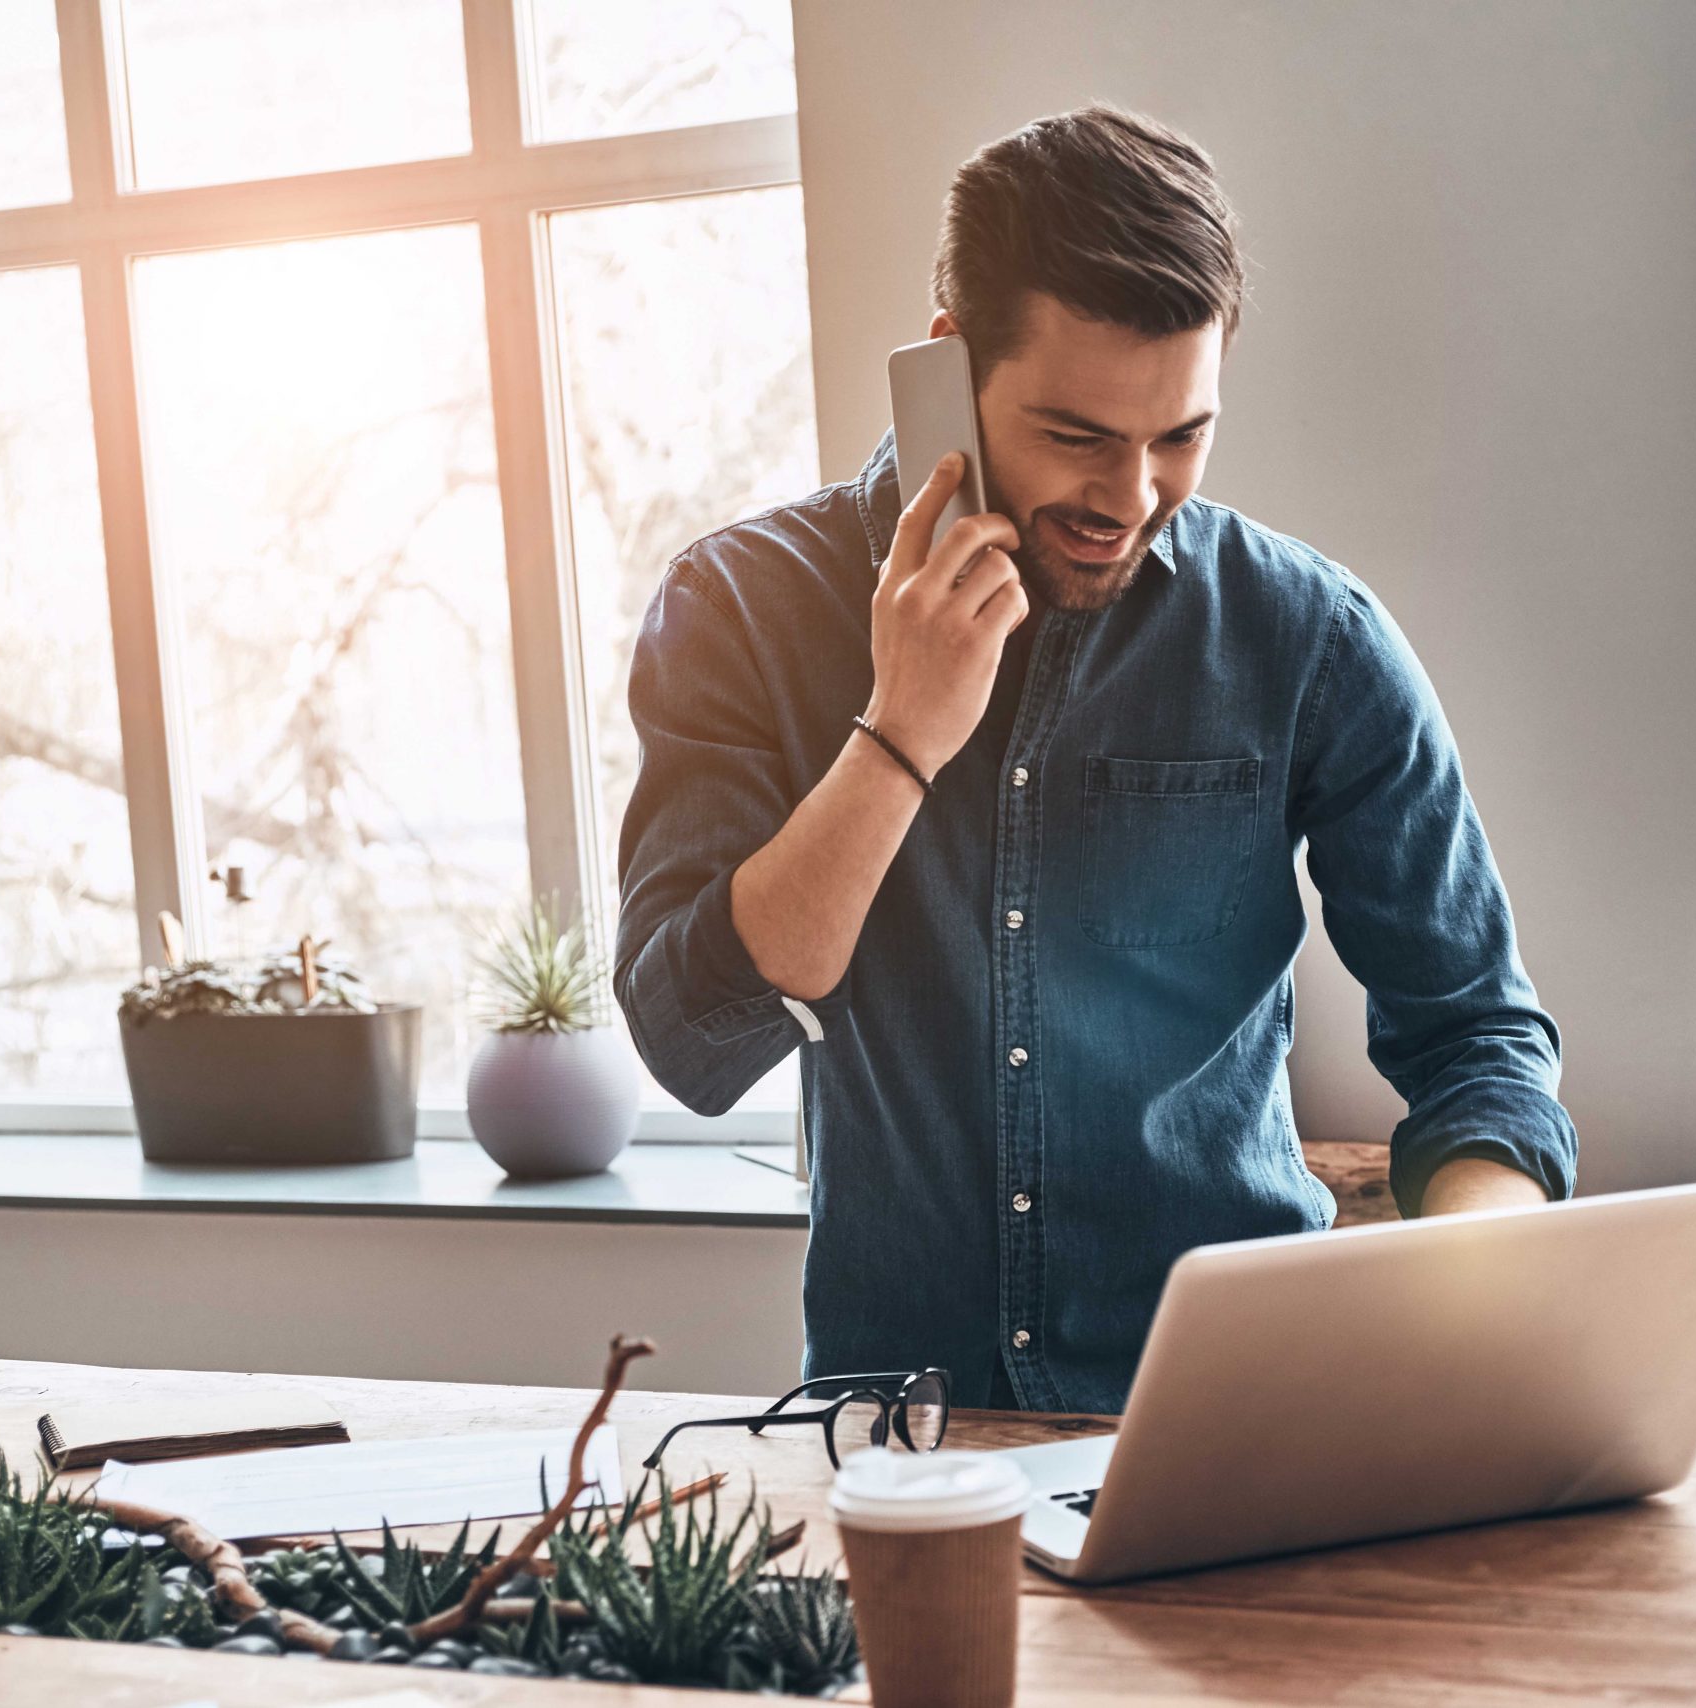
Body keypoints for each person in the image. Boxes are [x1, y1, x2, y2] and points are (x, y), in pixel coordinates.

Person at [616, 105, 1577, 1414]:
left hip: (1235, 1416)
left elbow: (1476, 1039)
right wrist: (902, 736)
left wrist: (1476, 1281)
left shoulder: (1308, 637)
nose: (1129, 498)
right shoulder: (742, 608)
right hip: (902, 1443)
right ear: (949, 363)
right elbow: (694, 1040)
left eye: (1181, 436)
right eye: (1077, 436)